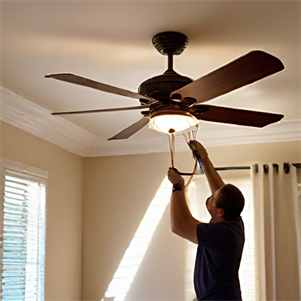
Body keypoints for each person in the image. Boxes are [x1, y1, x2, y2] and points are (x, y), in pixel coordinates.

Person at [167, 140, 245, 301]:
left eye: (212, 198)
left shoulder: (221, 234)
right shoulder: (234, 219)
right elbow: (220, 190)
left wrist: (177, 186)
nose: (210, 195)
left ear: (220, 212)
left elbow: (180, 226)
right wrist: (204, 158)